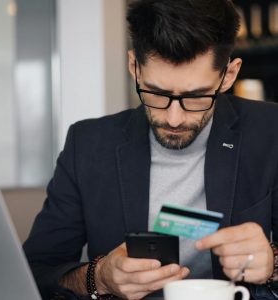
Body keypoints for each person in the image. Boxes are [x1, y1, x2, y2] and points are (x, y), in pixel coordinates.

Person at [23, 0, 278, 299]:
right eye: (156, 93)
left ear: (229, 75)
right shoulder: (88, 144)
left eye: (196, 97)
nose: (174, 118)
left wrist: (272, 262)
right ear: (134, 67)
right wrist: (100, 277)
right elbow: (35, 272)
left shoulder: (270, 132)